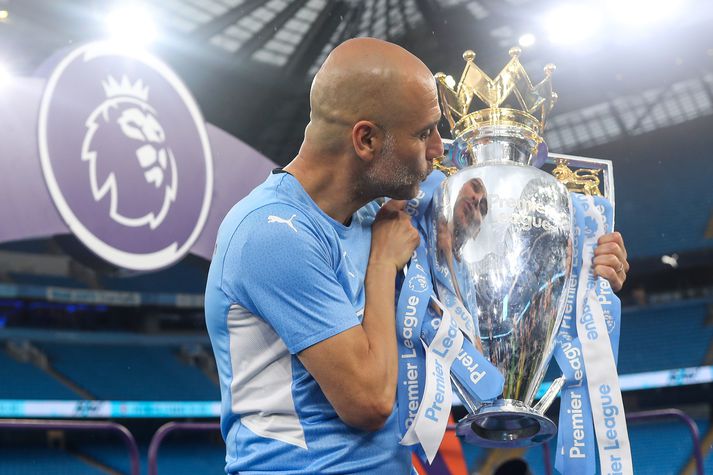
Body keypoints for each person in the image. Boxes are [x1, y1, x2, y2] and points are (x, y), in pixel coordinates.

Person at [205, 37, 630, 474]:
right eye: (424, 132)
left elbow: (496, 274)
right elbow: (368, 403)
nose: (439, 149)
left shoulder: (378, 212)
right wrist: (381, 265)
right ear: (366, 139)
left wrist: (582, 268)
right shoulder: (272, 234)